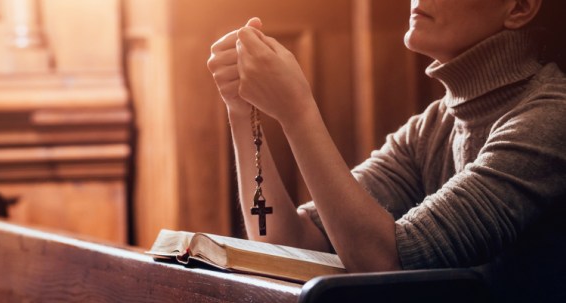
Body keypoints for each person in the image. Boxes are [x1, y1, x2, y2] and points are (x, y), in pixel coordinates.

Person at [206, 0, 566, 274]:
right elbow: (288, 242)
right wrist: (241, 108)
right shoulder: (433, 125)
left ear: (520, 7)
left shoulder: (552, 118)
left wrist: (298, 112)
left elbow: (383, 261)